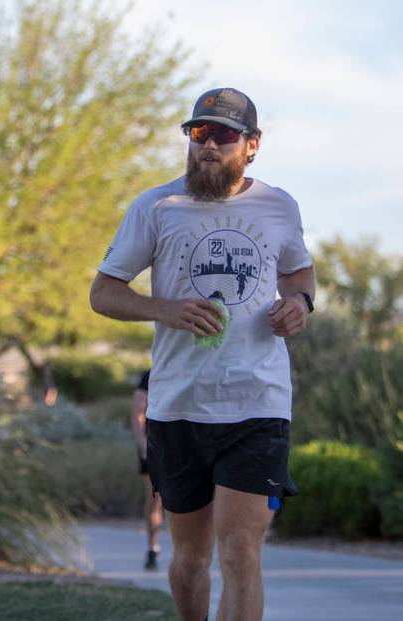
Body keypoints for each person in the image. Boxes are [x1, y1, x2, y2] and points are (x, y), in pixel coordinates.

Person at [89, 87, 315, 621]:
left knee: (241, 551)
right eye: (198, 134)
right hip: (179, 406)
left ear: (252, 145)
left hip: (258, 403)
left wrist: (301, 303)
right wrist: (164, 309)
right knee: (192, 559)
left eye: (223, 135)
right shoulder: (156, 207)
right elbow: (103, 293)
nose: (207, 145)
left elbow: (299, 272)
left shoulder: (279, 207)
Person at [131, 368, 163, 570]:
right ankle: (152, 547)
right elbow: (138, 413)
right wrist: (143, 445)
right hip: (154, 445)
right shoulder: (150, 375)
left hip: (184, 443)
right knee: (154, 500)